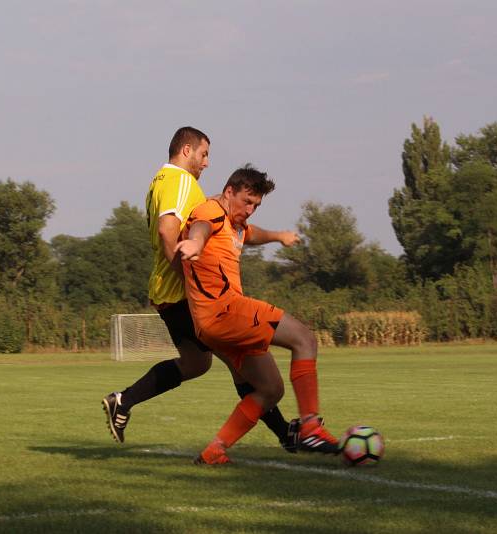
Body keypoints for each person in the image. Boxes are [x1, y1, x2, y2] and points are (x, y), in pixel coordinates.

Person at [102, 127, 299, 452]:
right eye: (204, 154)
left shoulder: (163, 183)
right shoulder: (180, 181)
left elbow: (240, 233)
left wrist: (277, 236)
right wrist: (195, 283)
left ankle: (123, 401)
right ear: (186, 150)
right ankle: (286, 434)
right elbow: (169, 234)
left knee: (197, 364)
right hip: (186, 295)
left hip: (170, 293)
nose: (207, 163)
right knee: (242, 362)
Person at [175, 164, 339, 465]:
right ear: (229, 192)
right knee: (304, 339)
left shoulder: (235, 225)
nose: (250, 209)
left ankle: (214, 450)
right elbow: (201, 227)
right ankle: (311, 428)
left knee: (270, 389)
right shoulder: (211, 210)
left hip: (211, 326)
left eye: (256, 205)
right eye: (246, 201)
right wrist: (195, 243)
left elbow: (251, 235)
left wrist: (279, 236)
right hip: (226, 310)